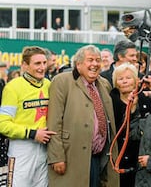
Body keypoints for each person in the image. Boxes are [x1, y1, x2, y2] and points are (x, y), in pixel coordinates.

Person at [47, 45, 119, 187]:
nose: (95, 64)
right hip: (71, 156)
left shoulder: (104, 84)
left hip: (99, 157)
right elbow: (54, 122)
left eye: (98, 60)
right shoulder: (62, 81)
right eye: (90, 60)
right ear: (78, 64)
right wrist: (56, 157)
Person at [0, 46, 56, 187]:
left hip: (44, 149)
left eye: (44, 63)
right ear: (25, 65)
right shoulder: (12, 87)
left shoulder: (49, 85)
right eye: (37, 63)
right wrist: (32, 133)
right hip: (21, 148)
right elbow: (3, 124)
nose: (42, 67)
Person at [110, 63, 151, 187]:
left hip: (139, 160)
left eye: (128, 78)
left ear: (136, 81)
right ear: (116, 83)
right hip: (115, 159)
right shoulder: (110, 102)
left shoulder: (146, 101)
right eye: (121, 79)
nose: (125, 81)